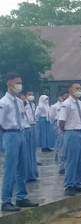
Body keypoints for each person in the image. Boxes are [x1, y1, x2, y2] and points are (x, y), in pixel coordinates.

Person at [0, 72, 39, 212]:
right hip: (10, 135)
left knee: (23, 167)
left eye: (20, 82)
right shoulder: (3, 103)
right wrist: (6, 132)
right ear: (9, 83)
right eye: (17, 82)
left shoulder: (19, 102)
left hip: (21, 133)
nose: (19, 85)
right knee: (10, 168)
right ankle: (6, 200)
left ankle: (21, 197)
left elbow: (22, 118)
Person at [58, 83, 81, 197]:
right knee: (71, 160)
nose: (79, 90)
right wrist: (67, 131)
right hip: (71, 132)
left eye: (80, 88)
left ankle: (78, 183)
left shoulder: (80, 103)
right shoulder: (66, 104)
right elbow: (61, 122)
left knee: (80, 160)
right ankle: (69, 185)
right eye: (76, 88)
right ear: (70, 90)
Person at [21, 93, 39, 181]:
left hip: (29, 128)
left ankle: (31, 173)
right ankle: (24, 174)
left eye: (25, 100)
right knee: (24, 154)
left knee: (31, 153)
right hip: (22, 130)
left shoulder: (31, 105)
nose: (24, 102)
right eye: (22, 100)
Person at [52, 91, 69, 174]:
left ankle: (67, 165)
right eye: (65, 96)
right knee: (61, 147)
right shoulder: (56, 106)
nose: (66, 97)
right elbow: (52, 117)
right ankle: (61, 166)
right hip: (61, 127)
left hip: (70, 129)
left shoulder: (70, 104)